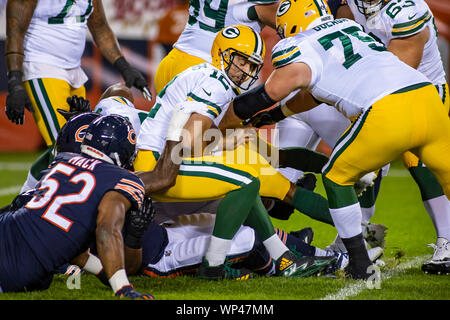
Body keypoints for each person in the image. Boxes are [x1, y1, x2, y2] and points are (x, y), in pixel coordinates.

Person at [221, 0, 450, 279]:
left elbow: (269, 92)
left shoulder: (300, 45)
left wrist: (229, 119)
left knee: (335, 176)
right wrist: (275, 115)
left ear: (289, 23)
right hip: (428, 100)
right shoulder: (349, 28)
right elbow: (314, 92)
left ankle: (358, 261)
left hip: (388, 111)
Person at [136, 24, 336, 280]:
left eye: (253, 66)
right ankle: (220, 265)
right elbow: (186, 141)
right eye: (243, 62)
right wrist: (224, 142)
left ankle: (281, 255)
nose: (247, 72)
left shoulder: (208, 77)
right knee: (245, 183)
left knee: (244, 183)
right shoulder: (216, 82)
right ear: (223, 54)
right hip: (160, 165)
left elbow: (276, 155)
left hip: (161, 160)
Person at [326, 0, 450, 275]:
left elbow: (395, 76)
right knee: (365, 164)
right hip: (380, 96)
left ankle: (448, 239)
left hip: (422, 91)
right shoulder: (349, 8)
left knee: (423, 163)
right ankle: (356, 239)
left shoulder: (408, 10)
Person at [0, 115, 156, 298]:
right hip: (21, 264)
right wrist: (123, 288)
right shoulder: (122, 179)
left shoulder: (63, 161)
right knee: (38, 279)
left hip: (7, 228)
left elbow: (67, 243)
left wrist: (104, 272)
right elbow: (106, 229)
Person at [5, 0, 151, 196]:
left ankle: (25, 198)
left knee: (80, 144)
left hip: (74, 71)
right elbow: (15, 30)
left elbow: (100, 27)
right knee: (67, 148)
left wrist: (125, 67)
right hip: (41, 67)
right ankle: (48, 208)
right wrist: (14, 81)